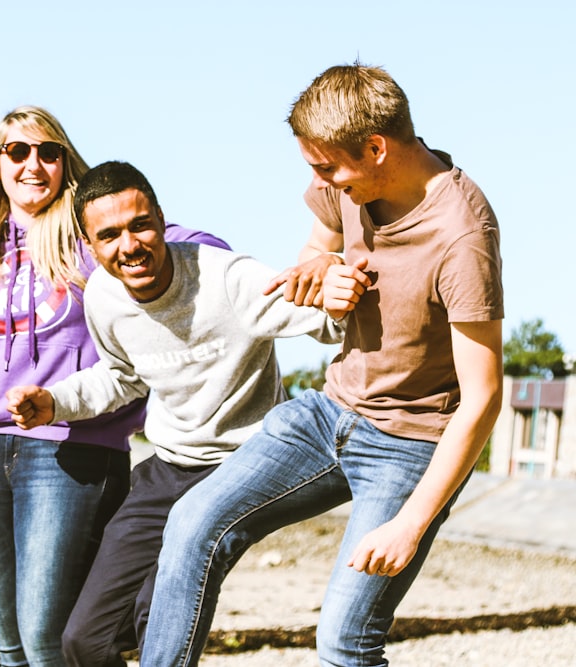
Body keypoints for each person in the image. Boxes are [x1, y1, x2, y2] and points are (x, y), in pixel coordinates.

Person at [139, 63, 504, 667]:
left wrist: (411, 524)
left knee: (343, 643)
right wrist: (322, 270)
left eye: (326, 168)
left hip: (411, 443)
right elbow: (318, 247)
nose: (319, 181)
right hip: (327, 411)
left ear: (376, 148)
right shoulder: (348, 180)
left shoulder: (463, 238)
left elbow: (484, 397)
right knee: (190, 522)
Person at [0, 107, 230, 667]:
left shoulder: (87, 235)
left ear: (65, 162)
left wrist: (222, 263)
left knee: (47, 639)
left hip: (69, 448)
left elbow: (181, 240)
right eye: (18, 152)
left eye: (48, 152)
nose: (33, 164)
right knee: (9, 641)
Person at [4, 160, 343, 665]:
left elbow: (332, 322)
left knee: (156, 616)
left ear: (161, 220)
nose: (129, 246)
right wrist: (55, 402)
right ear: (89, 244)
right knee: (83, 642)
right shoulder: (103, 294)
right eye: (110, 235)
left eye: (140, 225)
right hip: (169, 468)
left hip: (243, 466)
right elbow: (121, 376)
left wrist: (339, 280)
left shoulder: (227, 279)